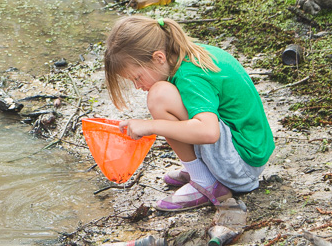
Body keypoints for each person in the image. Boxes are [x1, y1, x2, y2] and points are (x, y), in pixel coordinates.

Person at [102, 15, 274, 212]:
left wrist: (151, 126)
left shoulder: (190, 76)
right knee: (166, 97)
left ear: (159, 57)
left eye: (137, 77)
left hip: (240, 168)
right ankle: (203, 169)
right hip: (249, 154)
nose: (138, 86)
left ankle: (205, 182)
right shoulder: (190, 55)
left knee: (159, 96)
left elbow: (209, 132)